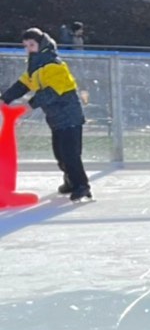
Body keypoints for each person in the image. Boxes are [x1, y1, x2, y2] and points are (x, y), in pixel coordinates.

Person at [0, 28, 92, 202]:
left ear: (41, 44)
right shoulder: (35, 67)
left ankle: (81, 185)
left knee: (70, 154)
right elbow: (22, 85)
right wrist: (5, 99)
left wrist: (29, 105)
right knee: (60, 154)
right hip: (56, 118)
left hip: (70, 116)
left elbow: (52, 93)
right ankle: (70, 181)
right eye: (25, 46)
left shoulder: (54, 64)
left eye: (32, 45)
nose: (28, 49)